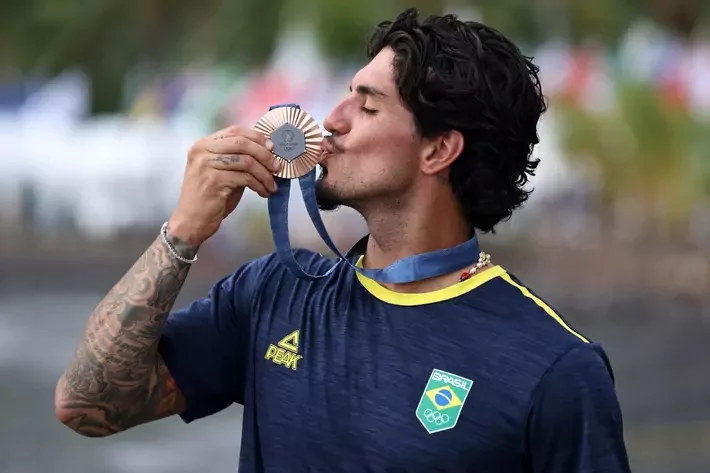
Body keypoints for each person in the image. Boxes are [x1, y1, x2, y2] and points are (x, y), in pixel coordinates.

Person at [54, 8, 631, 473]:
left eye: (368, 104)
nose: (331, 119)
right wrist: (182, 233)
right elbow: (87, 404)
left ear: (438, 150)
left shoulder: (555, 368)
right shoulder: (273, 294)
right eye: (346, 94)